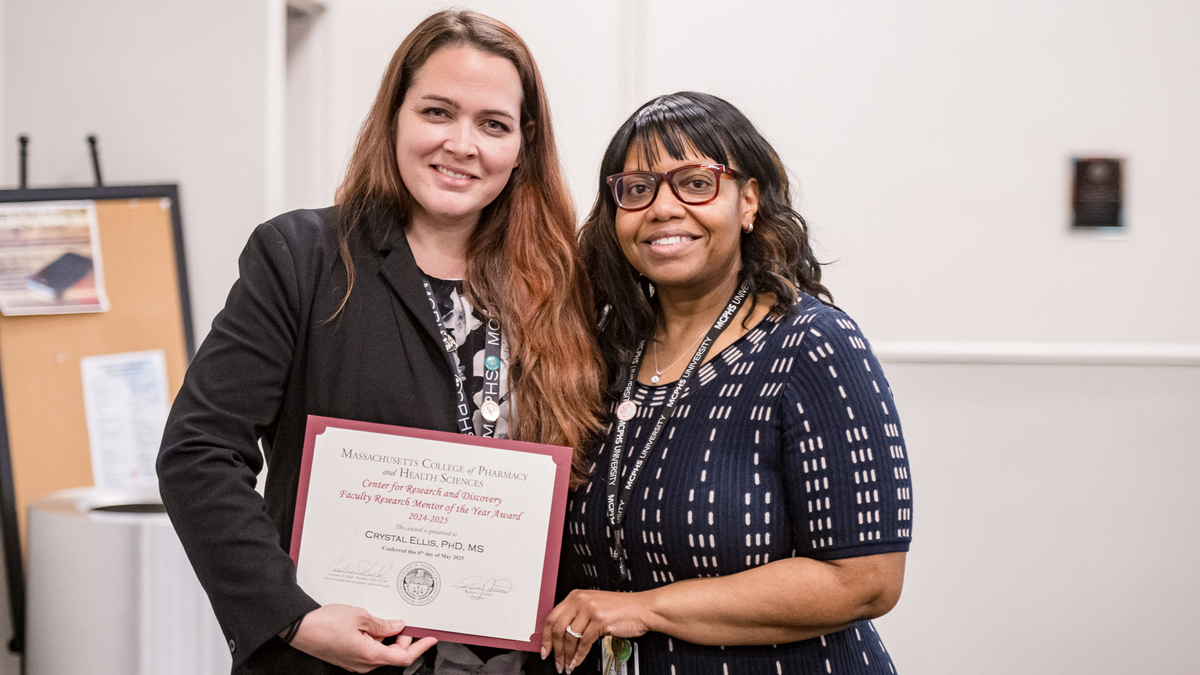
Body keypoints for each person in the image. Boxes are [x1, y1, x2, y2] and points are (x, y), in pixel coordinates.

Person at [157, 10, 604, 675]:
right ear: (394, 116)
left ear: (523, 144)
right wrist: (292, 616)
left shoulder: (565, 286)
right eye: (437, 112)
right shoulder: (302, 258)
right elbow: (199, 452)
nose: (462, 144)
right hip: (334, 663)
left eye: (493, 124)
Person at [539, 92, 914, 674]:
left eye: (696, 183)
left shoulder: (812, 343)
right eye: (637, 189)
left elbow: (866, 581)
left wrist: (646, 608)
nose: (662, 208)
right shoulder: (599, 352)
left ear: (749, 201)